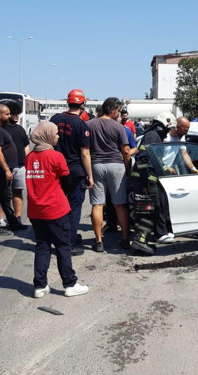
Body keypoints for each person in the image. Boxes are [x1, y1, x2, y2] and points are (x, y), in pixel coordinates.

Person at [25, 121, 89, 298]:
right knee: (63, 246)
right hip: (55, 209)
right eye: (55, 134)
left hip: (35, 211)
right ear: (46, 135)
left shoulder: (30, 157)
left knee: (42, 246)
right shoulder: (56, 156)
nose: (58, 136)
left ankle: (40, 286)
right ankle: (70, 284)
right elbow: (68, 181)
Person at [51, 89, 94, 256]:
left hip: (56, 170)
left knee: (59, 207)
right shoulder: (81, 124)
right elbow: (85, 153)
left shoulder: (55, 119)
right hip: (75, 171)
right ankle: (68, 243)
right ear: (82, 104)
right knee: (74, 207)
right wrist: (90, 176)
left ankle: (58, 238)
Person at [87, 97, 131, 252]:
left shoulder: (90, 125)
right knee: (120, 204)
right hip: (116, 166)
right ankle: (125, 238)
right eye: (118, 110)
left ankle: (98, 241)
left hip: (96, 165)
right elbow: (126, 150)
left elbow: (85, 149)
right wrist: (128, 167)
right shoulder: (118, 127)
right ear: (112, 109)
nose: (118, 113)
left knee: (97, 204)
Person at [129, 111, 177, 255]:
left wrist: (165, 169)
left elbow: (154, 159)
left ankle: (141, 242)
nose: (168, 132)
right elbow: (143, 160)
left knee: (147, 210)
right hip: (145, 180)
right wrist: (147, 183)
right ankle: (140, 241)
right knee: (148, 211)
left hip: (146, 179)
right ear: (162, 125)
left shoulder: (154, 136)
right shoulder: (152, 136)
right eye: (168, 129)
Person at [0, 104, 24, 235]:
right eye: (7, 114)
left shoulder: (0, 128)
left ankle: (13, 222)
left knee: (6, 197)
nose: (9, 116)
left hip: (4, 170)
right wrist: (6, 169)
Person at [3, 100, 31, 226]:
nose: (16, 116)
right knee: (3, 194)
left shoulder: (20, 129)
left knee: (18, 192)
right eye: (13, 113)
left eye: (17, 113)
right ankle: (1, 219)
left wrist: (28, 162)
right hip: (5, 167)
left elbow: (26, 146)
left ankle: (18, 217)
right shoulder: (1, 129)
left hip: (20, 166)